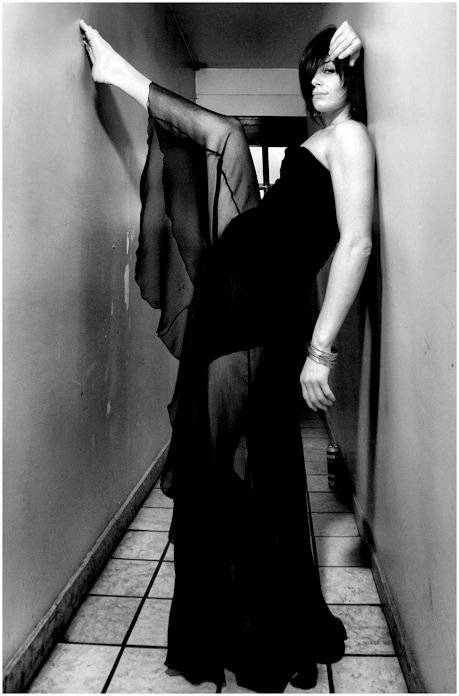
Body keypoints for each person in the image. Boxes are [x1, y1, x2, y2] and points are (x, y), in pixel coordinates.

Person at [79, 17, 374, 693]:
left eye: (330, 69)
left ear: (354, 77)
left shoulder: (353, 137)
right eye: (311, 72)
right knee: (225, 461)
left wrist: (320, 351)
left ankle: (248, 626)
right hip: (236, 288)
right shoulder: (320, 140)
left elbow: (355, 244)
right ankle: (121, 75)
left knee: (228, 468)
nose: (317, 81)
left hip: (258, 304)